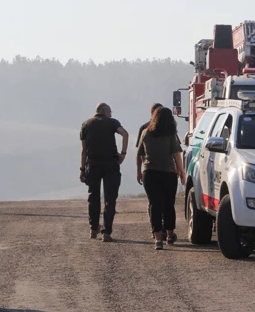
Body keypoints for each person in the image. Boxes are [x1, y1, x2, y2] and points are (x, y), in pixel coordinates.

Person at [137, 107, 187, 250]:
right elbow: (177, 154)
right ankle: (170, 236)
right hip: (168, 173)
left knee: (154, 205)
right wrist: (182, 172)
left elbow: (141, 153)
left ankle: (158, 238)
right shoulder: (171, 134)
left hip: (150, 173)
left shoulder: (145, 133)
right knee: (168, 205)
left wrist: (143, 168)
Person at [80, 103, 129, 242]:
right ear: (104, 110)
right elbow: (125, 134)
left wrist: (82, 169)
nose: (111, 114)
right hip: (111, 164)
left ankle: (93, 229)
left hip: (93, 164)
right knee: (110, 199)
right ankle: (107, 232)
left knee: (93, 197)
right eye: (110, 111)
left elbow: (84, 150)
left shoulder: (86, 124)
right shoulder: (112, 122)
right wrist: (123, 153)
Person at [138, 102, 163, 238]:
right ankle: (160, 228)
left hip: (149, 169)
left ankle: (155, 229)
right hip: (164, 169)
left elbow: (139, 153)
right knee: (163, 200)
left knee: (153, 201)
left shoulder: (144, 128)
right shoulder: (168, 127)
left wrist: (141, 168)